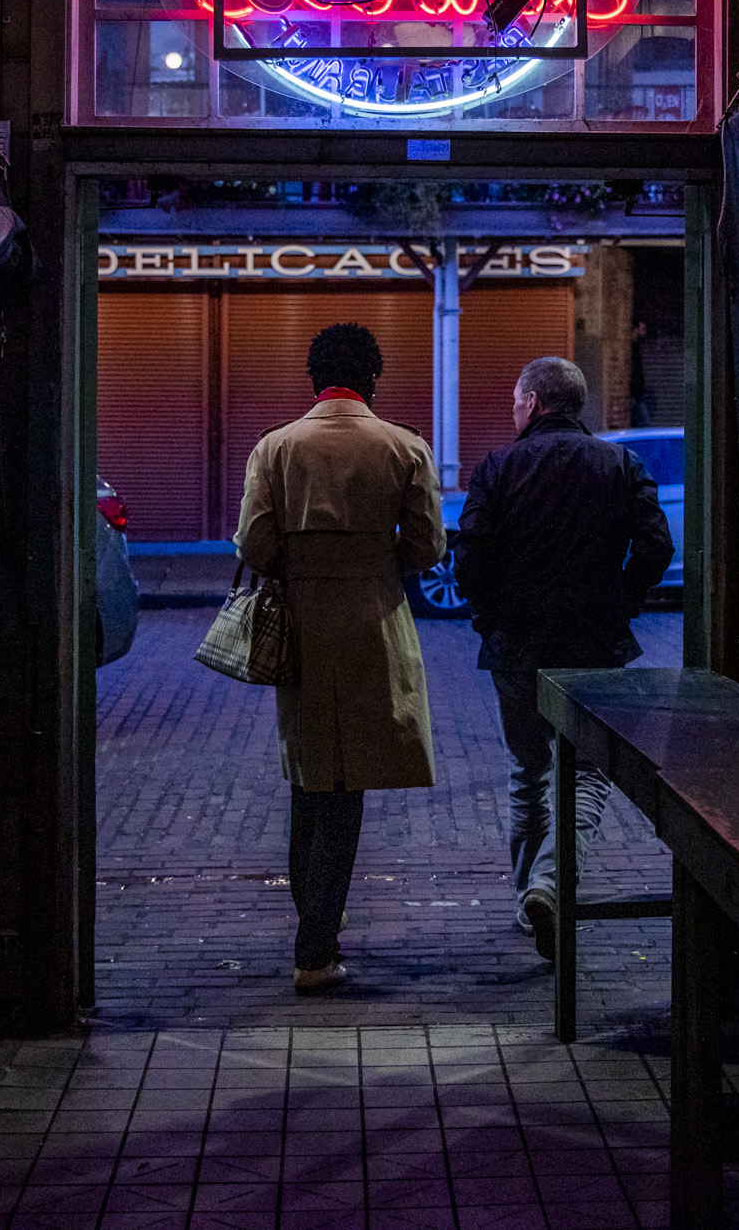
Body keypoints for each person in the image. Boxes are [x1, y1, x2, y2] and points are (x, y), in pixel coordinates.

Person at [234, 321, 446, 992]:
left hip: (299, 624)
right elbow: (427, 548)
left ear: (313, 378)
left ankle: (315, 928)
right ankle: (316, 945)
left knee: (308, 774)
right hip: (372, 622)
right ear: (372, 378)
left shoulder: (275, 448)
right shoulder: (404, 447)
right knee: (346, 783)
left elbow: (254, 542)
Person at [455, 355, 673, 959]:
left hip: (517, 647)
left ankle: (532, 891)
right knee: (587, 773)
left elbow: (470, 559)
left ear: (534, 403)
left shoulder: (498, 467)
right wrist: (622, 600)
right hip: (594, 647)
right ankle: (552, 883)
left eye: (515, 401)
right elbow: (656, 546)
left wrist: (492, 614)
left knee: (529, 773)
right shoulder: (620, 463)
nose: (513, 410)